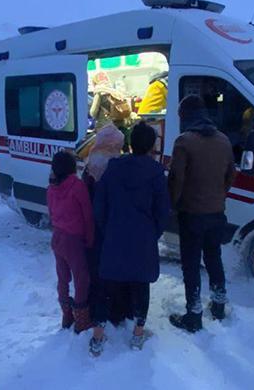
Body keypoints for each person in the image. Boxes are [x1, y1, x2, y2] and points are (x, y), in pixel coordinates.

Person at [90, 122, 170, 356]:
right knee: (141, 284)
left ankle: (97, 336)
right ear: (152, 146)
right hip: (143, 238)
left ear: (130, 143)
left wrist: (109, 229)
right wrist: (151, 233)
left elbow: (99, 206)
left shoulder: (113, 168)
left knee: (105, 286)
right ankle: (137, 334)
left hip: (114, 235)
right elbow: (163, 211)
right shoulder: (156, 173)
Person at [168, 95, 236, 333]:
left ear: (185, 116)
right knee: (213, 258)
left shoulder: (184, 142)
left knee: (191, 264)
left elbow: (177, 180)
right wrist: (219, 196)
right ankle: (218, 304)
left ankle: (194, 314)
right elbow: (231, 175)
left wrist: (173, 205)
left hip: (192, 214)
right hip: (217, 212)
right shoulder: (224, 141)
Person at [81, 125, 133, 331]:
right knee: (116, 268)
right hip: (114, 225)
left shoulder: (91, 162)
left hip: (94, 227)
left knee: (97, 269)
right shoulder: (119, 165)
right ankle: (117, 310)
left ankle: (98, 310)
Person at [47, 151, 94, 334]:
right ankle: (81, 319)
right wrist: (89, 239)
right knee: (81, 278)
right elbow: (87, 216)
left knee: (63, 277)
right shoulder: (78, 187)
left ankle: (66, 315)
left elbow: (51, 213)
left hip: (57, 237)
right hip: (74, 240)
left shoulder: (51, 188)